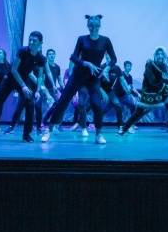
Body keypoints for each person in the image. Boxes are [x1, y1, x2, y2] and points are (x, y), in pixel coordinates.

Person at [42, 15, 117, 144]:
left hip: (93, 76)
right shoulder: (82, 39)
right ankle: (49, 130)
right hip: (78, 75)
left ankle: (98, 135)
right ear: (88, 26)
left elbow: (114, 58)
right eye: (91, 26)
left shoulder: (105, 40)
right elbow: (74, 57)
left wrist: (106, 68)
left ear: (99, 26)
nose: (93, 28)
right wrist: (86, 63)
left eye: (96, 26)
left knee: (97, 104)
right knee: (63, 101)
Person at [0, 31, 57, 143]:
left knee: (30, 104)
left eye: (34, 41)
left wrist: (37, 90)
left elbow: (40, 76)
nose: (31, 42)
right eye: (30, 40)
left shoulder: (41, 58)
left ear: (40, 43)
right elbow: (14, 69)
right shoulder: (23, 51)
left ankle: (26, 134)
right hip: (10, 79)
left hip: (23, 80)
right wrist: (24, 86)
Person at [118, 46, 168, 137]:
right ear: (155, 55)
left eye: (161, 54)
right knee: (138, 112)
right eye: (158, 54)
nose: (160, 55)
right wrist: (167, 87)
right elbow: (152, 81)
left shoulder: (166, 66)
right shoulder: (150, 64)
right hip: (150, 93)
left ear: (164, 55)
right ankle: (124, 129)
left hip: (162, 94)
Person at [112, 60, 140, 133]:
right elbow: (123, 86)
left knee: (132, 105)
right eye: (128, 66)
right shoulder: (121, 74)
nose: (129, 67)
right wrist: (129, 94)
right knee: (109, 108)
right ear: (124, 67)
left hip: (123, 95)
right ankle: (94, 123)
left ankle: (131, 124)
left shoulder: (130, 77)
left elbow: (132, 87)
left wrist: (138, 95)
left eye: (130, 66)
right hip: (115, 95)